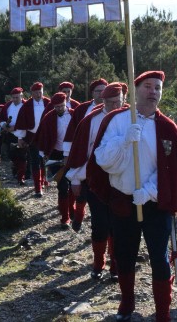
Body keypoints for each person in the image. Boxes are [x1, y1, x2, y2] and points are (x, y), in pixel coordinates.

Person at [88, 71, 177, 322]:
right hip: (123, 201)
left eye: (157, 87)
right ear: (135, 91)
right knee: (124, 254)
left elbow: (171, 171)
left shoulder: (167, 127)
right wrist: (124, 141)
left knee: (159, 256)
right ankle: (127, 301)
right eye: (147, 86)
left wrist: (148, 191)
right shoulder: (117, 120)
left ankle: (163, 312)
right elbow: (103, 161)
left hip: (156, 204)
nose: (153, 91)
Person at [65, 82, 126, 280]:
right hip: (96, 180)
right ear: (103, 101)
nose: (115, 105)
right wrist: (75, 177)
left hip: (122, 180)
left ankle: (116, 266)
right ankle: (98, 264)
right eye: (111, 102)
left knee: (117, 225)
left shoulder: (130, 118)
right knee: (100, 224)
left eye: (118, 101)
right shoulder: (91, 120)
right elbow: (81, 151)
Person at [59, 78, 109, 229]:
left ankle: (101, 223)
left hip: (107, 160)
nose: (101, 94)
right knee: (81, 190)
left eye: (104, 90)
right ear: (92, 93)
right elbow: (72, 132)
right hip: (84, 157)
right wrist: (68, 155)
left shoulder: (116, 109)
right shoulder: (82, 110)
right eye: (98, 91)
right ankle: (79, 216)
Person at [35, 92, 75, 228]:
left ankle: (72, 209)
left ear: (66, 103)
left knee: (73, 185)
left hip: (73, 155)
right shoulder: (48, 117)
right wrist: (44, 153)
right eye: (56, 107)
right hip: (56, 155)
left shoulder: (74, 115)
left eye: (61, 106)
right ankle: (65, 218)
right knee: (62, 186)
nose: (59, 109)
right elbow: (43, 135)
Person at [14, 82, 51, 197]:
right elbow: (21, 121)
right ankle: (37, 187)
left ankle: (44, 180)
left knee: (44, 160)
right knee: (35, 161)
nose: (38, 95)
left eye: (40, 92)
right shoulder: (27, 105)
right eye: (35, 93)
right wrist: (20, 137)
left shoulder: (48, 103)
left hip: (46, 136)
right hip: (33, 137)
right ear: (32, 93)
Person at [0, 88, 26, 183]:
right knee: (12, 155)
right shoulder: (8, 106)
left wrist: (16, 127)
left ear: (21, 96)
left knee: (22, 155)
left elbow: (29, 120)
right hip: (10, 135)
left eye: (17, 97)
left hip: (22, 134)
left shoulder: (26, 105)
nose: (15, 99)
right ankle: (16, 171)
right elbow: (1, 119)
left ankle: (21, 176)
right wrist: (5, 126)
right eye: (13, 97)